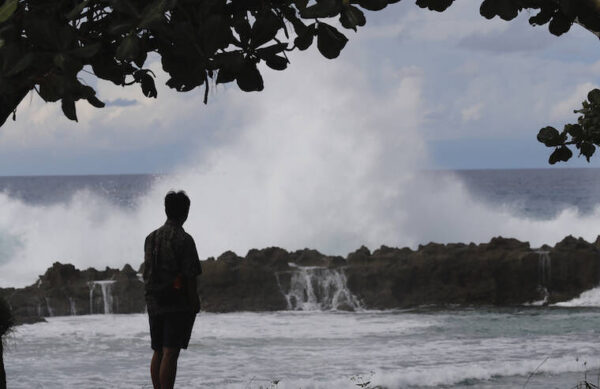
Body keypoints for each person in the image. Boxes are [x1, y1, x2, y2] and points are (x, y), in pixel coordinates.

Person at [143, 191, 202, 389]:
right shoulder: (184, 240)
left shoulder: (151, 237)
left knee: (158, 350)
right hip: (176, 303)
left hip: (154, 301)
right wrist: (194, 302)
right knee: (170, 352)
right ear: (186, 212)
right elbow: (190, 276)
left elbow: (148, 271)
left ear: (166, 211)